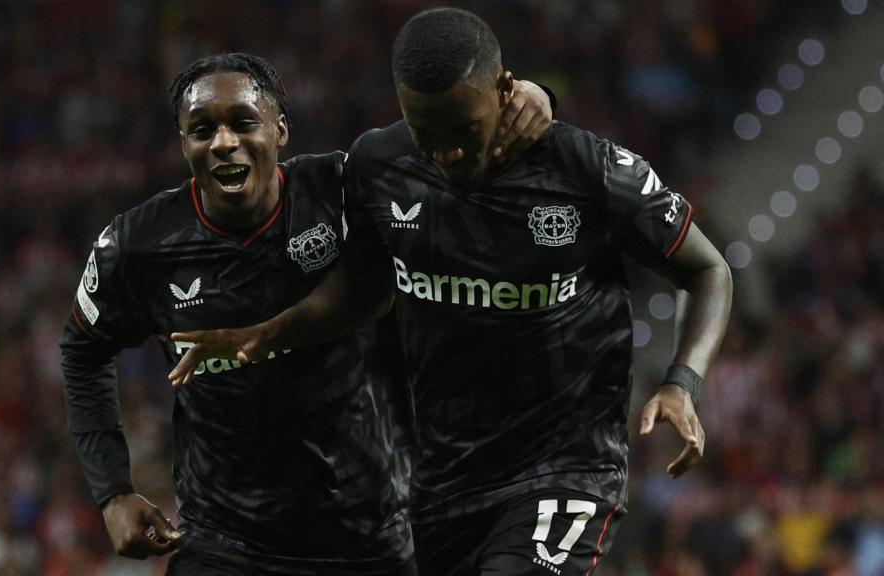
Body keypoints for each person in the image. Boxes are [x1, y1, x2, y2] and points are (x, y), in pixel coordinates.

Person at [168, 8, 733, 576]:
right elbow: (365, 291)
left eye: (464, 129)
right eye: (426, 132)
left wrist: (682, 383)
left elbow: (707, 270)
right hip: (441, 481)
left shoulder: (586, 170)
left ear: (505, 90)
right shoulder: (378, 166)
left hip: (566, 466)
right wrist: (265, 335)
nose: (447, 153)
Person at [60, 52, 554, 575]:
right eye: (201, 129)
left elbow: (454, 145)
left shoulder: (347, 191)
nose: (223, 141)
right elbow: (82, 348)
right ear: (184, 143)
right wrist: (113, 491)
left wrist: (531, 96)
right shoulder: (138, 246)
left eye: (242, 122)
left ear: (281, 129)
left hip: (373, 536)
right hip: (228, 544)